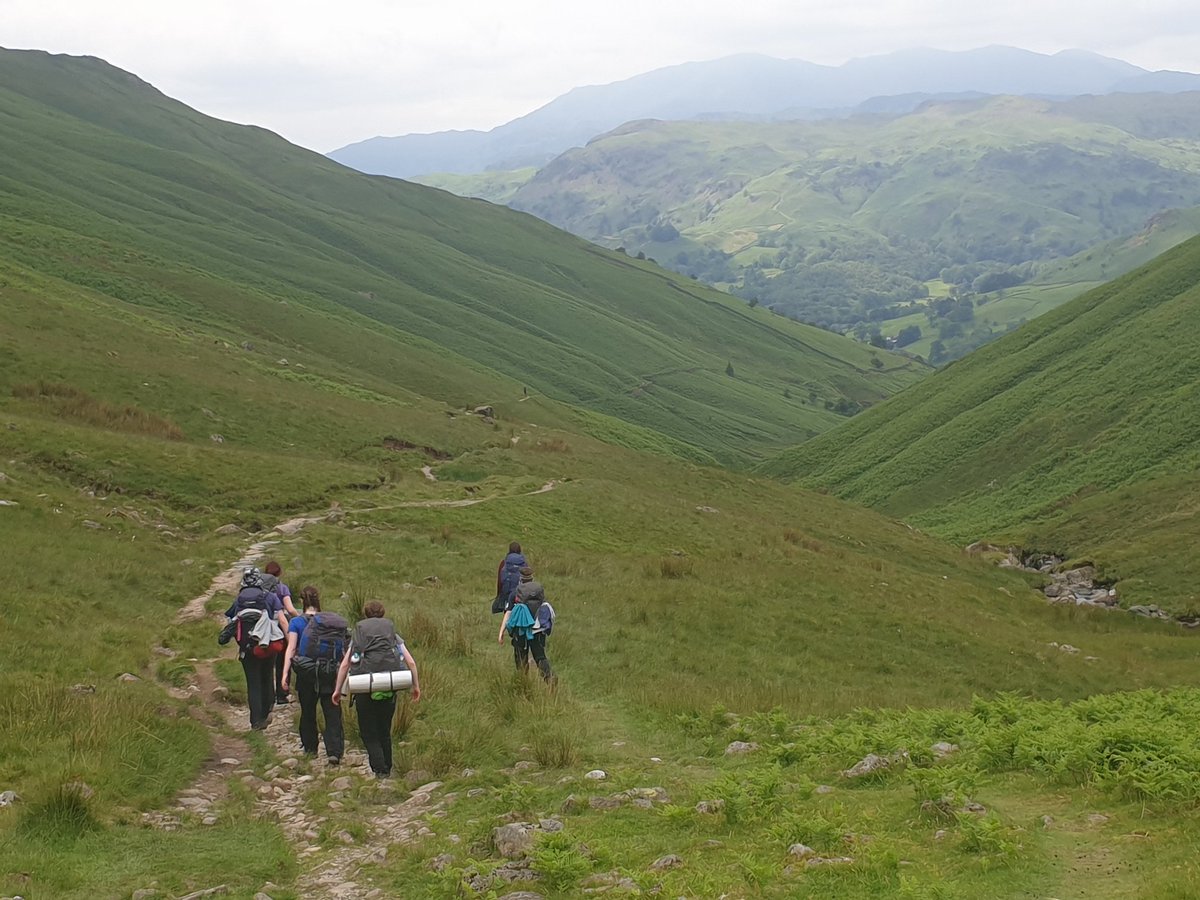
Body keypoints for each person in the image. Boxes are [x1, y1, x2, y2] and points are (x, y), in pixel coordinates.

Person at [332, 601, 421, 778]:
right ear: (383, 614)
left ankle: (380, 770)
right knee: (384, 730)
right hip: (390, 685)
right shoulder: (392, 634)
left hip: (364, 687)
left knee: (368, 732)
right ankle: (387, 768)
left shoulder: (359, 634)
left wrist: (338, 690)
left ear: (365, 615)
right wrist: (415, 686)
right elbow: (410, 661)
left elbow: (345, 665)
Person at [280, 586, 348, 765]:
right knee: (332, 712)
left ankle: (310, 749)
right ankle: (335, 751)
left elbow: (292, 648)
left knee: (308, 711)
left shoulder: (297, 622)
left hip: (307, 673)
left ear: (302, 602)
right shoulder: (329, 621)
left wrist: (285, 673)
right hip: (330, 672)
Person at [223, 567, 288, 731]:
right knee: (267, 677)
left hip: (247, 649)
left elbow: (229, 616)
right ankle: (267, 712)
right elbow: (280, 618)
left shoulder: (239, 599)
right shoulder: (271, 597)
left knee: (253, 683)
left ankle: (255, 721)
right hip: (267, 645)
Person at [498, 566, 554, 682]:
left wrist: (501, 632)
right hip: (537, 629)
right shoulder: (539, 591)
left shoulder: (515, 593)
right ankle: (550, 679)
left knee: (521, 657)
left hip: (521, 630)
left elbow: (508, 613)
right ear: (532, 578)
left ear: (521, 579)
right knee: (540, 656)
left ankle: (523, 682)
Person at [264, 561, 298, 705]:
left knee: (266, 662)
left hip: (264, 628)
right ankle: (282, 694)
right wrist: (299, 618)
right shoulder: (282, 588)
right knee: (283, 660)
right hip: (280, 627)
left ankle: (267, 696)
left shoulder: (260, 588)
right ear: (279, 573)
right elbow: (290, 609)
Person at [493, 541, 527, 614]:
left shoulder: (504, 563)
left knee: (507, 615)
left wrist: (499, 595)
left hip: (507, 594)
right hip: (520, 594)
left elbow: (500, 581)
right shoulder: (524, 564)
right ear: (520, 551)